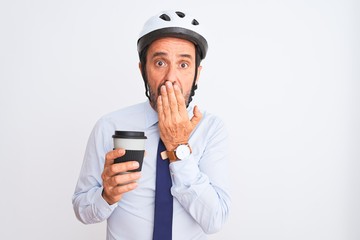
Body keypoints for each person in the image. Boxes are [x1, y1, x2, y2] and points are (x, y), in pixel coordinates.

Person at [72, 9, 231, 240]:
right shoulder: (110, 126)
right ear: (143, 70)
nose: (170, 78)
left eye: (184, 65)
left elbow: (214, 219)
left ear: (197, 74)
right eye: (160, 62)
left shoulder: (212, 129)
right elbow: (82, 210)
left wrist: (178, 148)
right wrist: (106, 196)